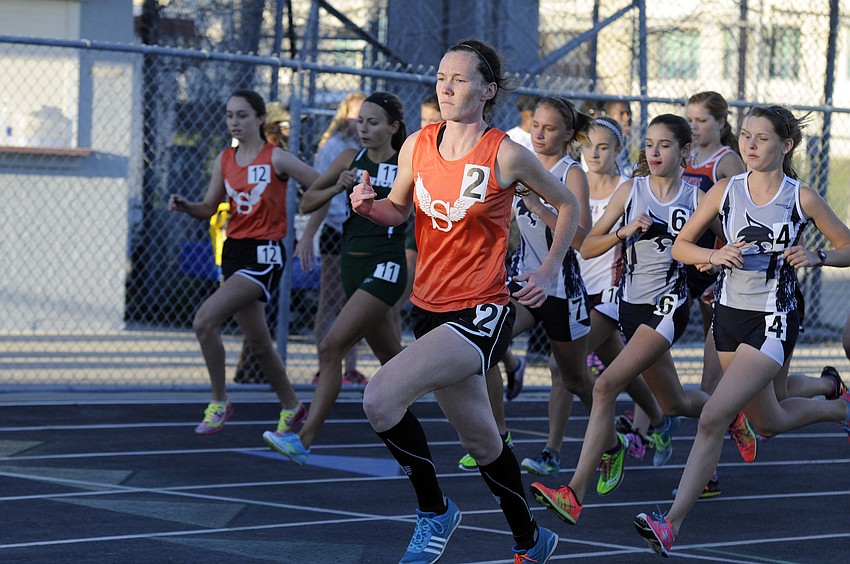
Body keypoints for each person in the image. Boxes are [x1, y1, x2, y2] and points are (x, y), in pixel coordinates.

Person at [350, 38, 577, 563]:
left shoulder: (507, 153)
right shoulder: (418, 146)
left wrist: (546, 270)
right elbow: (397, 211)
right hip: (428, 310)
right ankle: (532, 539)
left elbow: (567, 206)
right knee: (483, 442)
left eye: (459, 79)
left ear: (487, 90)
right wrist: (368, 206)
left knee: (380, 398)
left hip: (482, 311)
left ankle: (434, 512)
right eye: (441, 77)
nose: (446, 87)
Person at [634, 105, 850, 557]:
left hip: (774, 317)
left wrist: (819, 257)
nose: (750, 145)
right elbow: (682, 246)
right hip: (727, 315)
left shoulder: (801, 197)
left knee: (714, 415)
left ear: (786, 145)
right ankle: (836, 401)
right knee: (765, 418)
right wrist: (713, 257)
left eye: (762, 138)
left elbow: (847, 244)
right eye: (746, 136)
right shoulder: (725, 190)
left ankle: (670, 523)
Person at [529, 115, 717, 525]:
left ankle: (573, 493)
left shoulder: (699, 196)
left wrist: (717, 269)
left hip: (668, 305)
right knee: (675, 402)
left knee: (606, 385)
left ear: (686, 152)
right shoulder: (630, 191)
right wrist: (622, 232)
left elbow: (723, 240)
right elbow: (586, 244)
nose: (653, 152)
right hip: (629, 306)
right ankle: (729, 411)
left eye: (665, 145)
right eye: (649, 143)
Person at [263, 92, 409, 464]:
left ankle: (304, 439)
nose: (363, 128)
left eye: (373, 122)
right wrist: (337, 186)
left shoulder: (408, 162)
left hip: (386, 265)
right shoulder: (348, 159)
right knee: (395, 361)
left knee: (331, 348)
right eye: (360, 121)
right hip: (352, 264)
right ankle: (460, 399)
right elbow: (308, 200)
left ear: (393, 127)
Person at [456, 95, 596, 476]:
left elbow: (581, 239)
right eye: (536, 125)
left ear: (568, 134)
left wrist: (538, 206)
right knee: (483, 344)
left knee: (575, 379)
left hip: (562, 288)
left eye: (550, 129)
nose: (540, 134)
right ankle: (498, 437)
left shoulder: (571, 173)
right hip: (522, 280)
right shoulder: (520, 162)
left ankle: (609, 442)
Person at [168, 89, 319, 436]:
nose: (234, 121)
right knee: (259, 343)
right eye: (229, 115)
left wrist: (308, 233)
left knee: (204, 321)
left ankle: (219, 401)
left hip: (264, 255)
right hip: (234, 252)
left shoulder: (276, 158)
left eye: (242, 115)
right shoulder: (225, 160)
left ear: (259, 119)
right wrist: (187, 206)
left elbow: (320, 186)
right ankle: (292, 406)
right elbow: (209, 207)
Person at [578, 116, 666, 461]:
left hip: (615, 290)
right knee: (620, 368)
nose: (594, 153)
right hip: (577, 285)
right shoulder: (574, 182)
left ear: (618, 150)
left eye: (603, 147)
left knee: (566, 369)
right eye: (588, 146)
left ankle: (597, 447)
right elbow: (579, 242)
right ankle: (660, 421)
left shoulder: (630, 188)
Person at [294, 91, 368, 386]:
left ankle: (350, 367)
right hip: (338, 231)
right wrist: (310, 233)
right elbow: (322, 191)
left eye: (366, 118)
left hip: (363, 234)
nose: (360, 123)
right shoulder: (334, 147)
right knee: (331, 300)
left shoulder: (368, 148)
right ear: (345, 115)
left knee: (355, 303)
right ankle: (326, 364)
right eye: (356, 116)